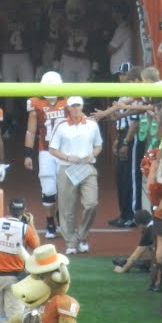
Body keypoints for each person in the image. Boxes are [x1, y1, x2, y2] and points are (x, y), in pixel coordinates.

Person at [49, 96, 102, 255]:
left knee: (91, 203)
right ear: (68, 108)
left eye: (78, 105)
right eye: (73, 106)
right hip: (67, 168)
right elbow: (53, 149)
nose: (76, 109)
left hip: (87, 167)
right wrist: (67, 157)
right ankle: (71, 241)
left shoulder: (92, 125)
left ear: (82, 106)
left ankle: (80, 236)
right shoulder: (61, 126)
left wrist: (93, 153)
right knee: (67, 208)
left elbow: (98, 145)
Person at [24, 73, 67, 239]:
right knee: (48, 189)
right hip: (46, 151)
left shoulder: (67, 101)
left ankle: (62, 219)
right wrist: (28, 154)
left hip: (65, 151)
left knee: (65, 188)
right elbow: (31, 130)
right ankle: (50, 222)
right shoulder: (36, 103)